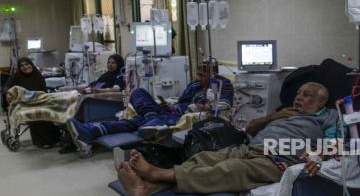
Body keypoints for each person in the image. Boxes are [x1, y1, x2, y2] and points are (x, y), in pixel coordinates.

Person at [116, 82, 340, 196]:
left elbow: (335, 144)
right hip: (250, 147)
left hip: (279, 159)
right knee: (204, 158)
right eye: (299, 93)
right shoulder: (284, 112)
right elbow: (249, 129)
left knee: (231, 170)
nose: (299, 97)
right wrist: (272, 117)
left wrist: (318, 157)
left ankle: (158, 175)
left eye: (308, 95)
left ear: (322, 101)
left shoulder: (330, 117)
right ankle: (148, 188)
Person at [65, 62, 234, 153]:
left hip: (180, 118)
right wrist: (168, 103)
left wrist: (198, 106)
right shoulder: (194, 84)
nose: (199, 77)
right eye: (198, 73)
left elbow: (224, 105)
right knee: (138, 92)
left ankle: (91, 131)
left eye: (203, 74)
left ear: (213, 74)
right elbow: (182, 100)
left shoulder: (221, 84)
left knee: (135, 121)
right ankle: (151, 119)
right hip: (170, 110)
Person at [3, 57, 61, 148]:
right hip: (25, 103)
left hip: (40, 100)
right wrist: (8, 93)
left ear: (31, 64)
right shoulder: (16, 76)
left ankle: (55, 139)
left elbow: (44, 91)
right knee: (35, 113)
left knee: (51, 110)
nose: (25, 67)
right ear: (19, 68)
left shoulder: (37, 74)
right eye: (22, 65)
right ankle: (41, 141)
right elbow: (6, 86)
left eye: (27, 64)